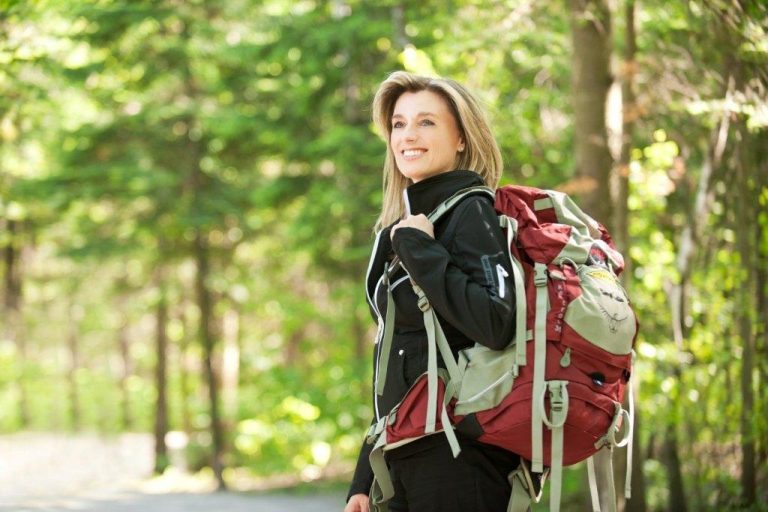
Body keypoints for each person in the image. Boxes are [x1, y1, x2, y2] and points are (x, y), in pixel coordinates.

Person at [344, 71, 520, 512]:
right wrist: (364, 478)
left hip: (461, 458)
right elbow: (399, 360)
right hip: (404, 455)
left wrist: (422, 252)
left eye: (426, 122)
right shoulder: (402, 229)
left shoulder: (473, 211)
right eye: (398, 124)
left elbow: (497, 322)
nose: (408, 135)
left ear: (461, 138)